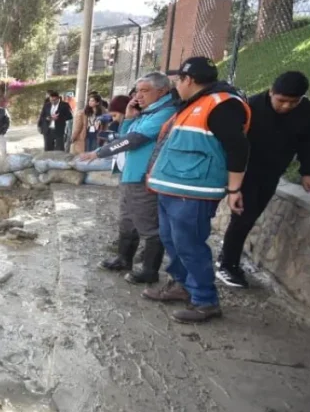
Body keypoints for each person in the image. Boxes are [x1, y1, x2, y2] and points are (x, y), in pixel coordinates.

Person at [143, 57, 251, 323]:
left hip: (194, 192)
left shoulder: (222, 105)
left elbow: (238, 148)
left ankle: (205, 300)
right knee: (171, 240)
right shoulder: (193, 103)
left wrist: (234, 190)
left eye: (178, 80)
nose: (176, 86)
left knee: (189, 245)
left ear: (188, 80)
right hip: (173, 188)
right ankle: (182, 285)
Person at [216, 71, 310, 288]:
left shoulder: (307, 112)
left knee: (249, 217)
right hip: (245, 172)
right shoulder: (250, 107)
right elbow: (234, 142)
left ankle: (227, 254)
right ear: (271, 92)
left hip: (271, 173)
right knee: (243, 217)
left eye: (293, 102)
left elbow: (308, 143)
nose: (287, 106)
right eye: (282, 100)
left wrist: (307, 172)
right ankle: (227, 265)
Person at [79, 73, 178, 285]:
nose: (138, 96)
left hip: (143, 177)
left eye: (144, 91)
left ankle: (149, 270)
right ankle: (124, 258)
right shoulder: (147, 112)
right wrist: (130, 118)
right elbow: (126, 135)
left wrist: (99, 153)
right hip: (130, 174)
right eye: (137, 91)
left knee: (148, 225)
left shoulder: (166, 112)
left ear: (162, 91)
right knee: (127, 219)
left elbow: (134, 140)